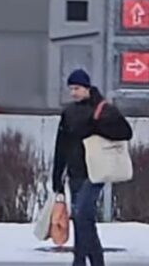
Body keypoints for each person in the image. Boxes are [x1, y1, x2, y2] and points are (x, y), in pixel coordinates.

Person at [51, 68, 133, 266]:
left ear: (87, 88)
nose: (73, 93)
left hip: (95, 172)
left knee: (81, 214)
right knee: (82, 220)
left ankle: (92, 261)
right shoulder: (68, 112)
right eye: (71, 88)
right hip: (74, 172)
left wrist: (96, 127)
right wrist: (57, 177)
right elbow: (61, 144)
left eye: (77, 88)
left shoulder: (103, 109)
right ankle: (82, 261)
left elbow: (125, 132)